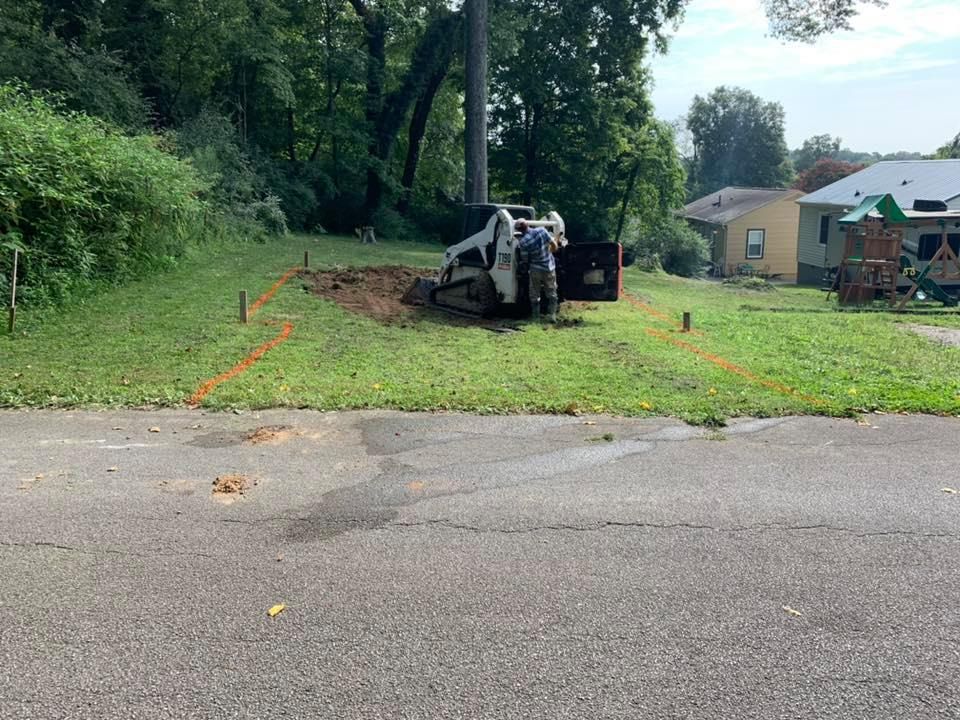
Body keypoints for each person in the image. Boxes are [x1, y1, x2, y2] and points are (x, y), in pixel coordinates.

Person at [515, 218, 558, 323]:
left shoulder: (523, 242)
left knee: (535, 293)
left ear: (520, 230)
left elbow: (525, 260)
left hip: (535, 269)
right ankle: (552, 316)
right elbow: (554, 246)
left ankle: (536, 317)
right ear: (527, 224)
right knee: (552, 291)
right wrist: (549, 253)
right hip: (549, 267)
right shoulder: (542, 231)